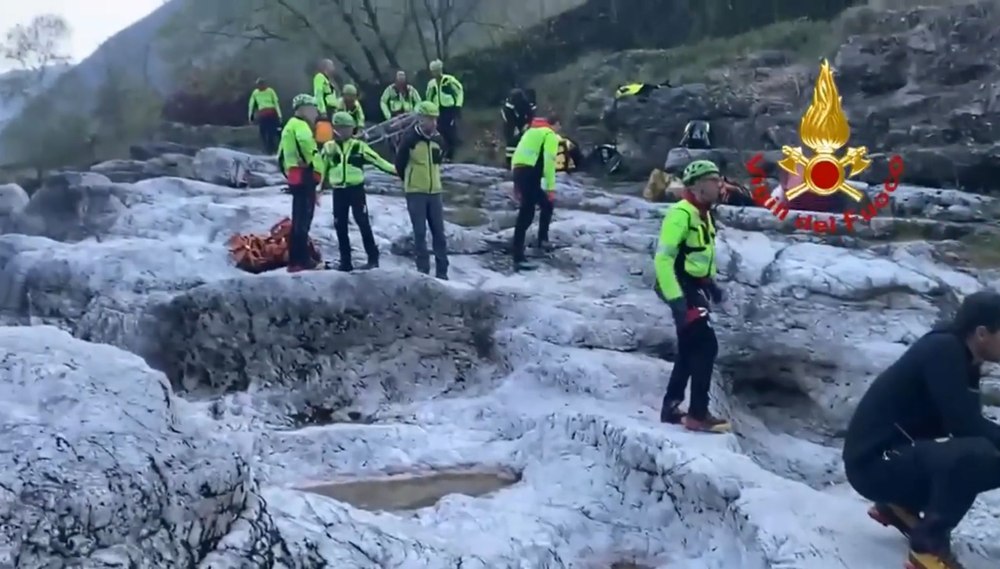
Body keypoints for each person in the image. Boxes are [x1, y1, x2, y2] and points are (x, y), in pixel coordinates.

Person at [843, 291, 1000, 569]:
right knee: (977, 455)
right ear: (981, 334)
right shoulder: (943, 350)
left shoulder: (963, 357)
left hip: (892, 458)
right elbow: (965, 426)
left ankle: (900, 506)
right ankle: (926, 549)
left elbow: (965, 424)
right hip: (872, 464)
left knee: (984, 456)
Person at [654, 159, 729, 434]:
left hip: (694, 285)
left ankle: (671, 407)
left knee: (688, 346)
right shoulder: (680, 214)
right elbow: (663, 260)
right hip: (678, 284)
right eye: (713, 180)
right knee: (706, 345)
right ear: (697, 185)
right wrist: (677, 301)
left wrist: (711, 285)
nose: (719, 185)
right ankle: (698, 414)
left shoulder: (704, 214)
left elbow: (697, 255)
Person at [318, 111, 396, 271]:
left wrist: (398, 171)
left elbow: (378, 161)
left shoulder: (359, 147)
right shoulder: (329, 148)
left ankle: (373, 258)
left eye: (349, 128)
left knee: (362, 222)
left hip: (356, 190)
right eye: (343, 128)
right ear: (336, 128)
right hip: (339, 191)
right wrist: (318, 188)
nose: (346, 131)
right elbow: (321, 168)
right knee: (340, 226)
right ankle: (345, 261)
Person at [395, 101, 449, 279]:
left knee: (439, 233)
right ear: (420, 119)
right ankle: (423, 270)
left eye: (435, 119)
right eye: (429, 119)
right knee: (419, 232)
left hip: (435, 192)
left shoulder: (439, 140)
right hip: (415, 192)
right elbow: (399, 164)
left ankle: (442, 271)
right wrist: (410, 180)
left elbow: (440, 159)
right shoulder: (410, 139)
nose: (433, 123)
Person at [277, 94, 322, 272]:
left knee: (297, 218)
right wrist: (318, 170)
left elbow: (280, 155)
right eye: (313, 109)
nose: (315, 113)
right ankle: (302, 260)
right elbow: (310, 150)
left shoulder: (289, 126)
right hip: (305, 176)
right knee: (304, 219)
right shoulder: (301, 126)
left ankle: (295, 260)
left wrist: (287, 172)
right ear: (303, 109)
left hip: (294, 177)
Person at [509, 115, 560, 271]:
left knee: (546, 204)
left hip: (520, 172)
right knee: (527, 213)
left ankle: (542, 241)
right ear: (555, 124)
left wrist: (516, 184)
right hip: (530, 174)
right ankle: (518, 256)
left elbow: (516, 157)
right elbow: (550, 162)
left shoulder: (530, 132)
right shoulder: (549, 135)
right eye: (559, 126)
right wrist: (551, 188)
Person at [425, 59, 464, 160]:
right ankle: (441, 153)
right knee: (438, 131)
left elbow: (459, 91)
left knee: (449, 131)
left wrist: (458, 106)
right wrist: (428, 110)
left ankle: (450, 155)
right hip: (437, 110)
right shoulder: (431, 84)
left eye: (437, 70)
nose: (435, 73)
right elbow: (428, 97)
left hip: (449, 109)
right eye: (433, 71)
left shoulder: (449, 80)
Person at [501, 88, 536, 168]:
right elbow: (508, 117)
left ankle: (523, 161)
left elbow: (531, 114)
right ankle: (509, 162)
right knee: (511, 142)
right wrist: (514, 127)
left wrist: (527, 124)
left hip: (522, 121)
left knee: (524, 141)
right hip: (510, 123)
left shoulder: (525, 103)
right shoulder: (508, 105)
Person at [248, 78, 282, 154]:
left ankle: (270, 149)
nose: (261, 86)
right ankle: (269, 149)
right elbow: (251, 105)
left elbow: (276, 103)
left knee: (269, 132)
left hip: (269, 113)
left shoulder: (269, 91)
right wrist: (250, 116)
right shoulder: (256, 93)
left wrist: (279, 115)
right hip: (266, 114)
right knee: (266, 132)